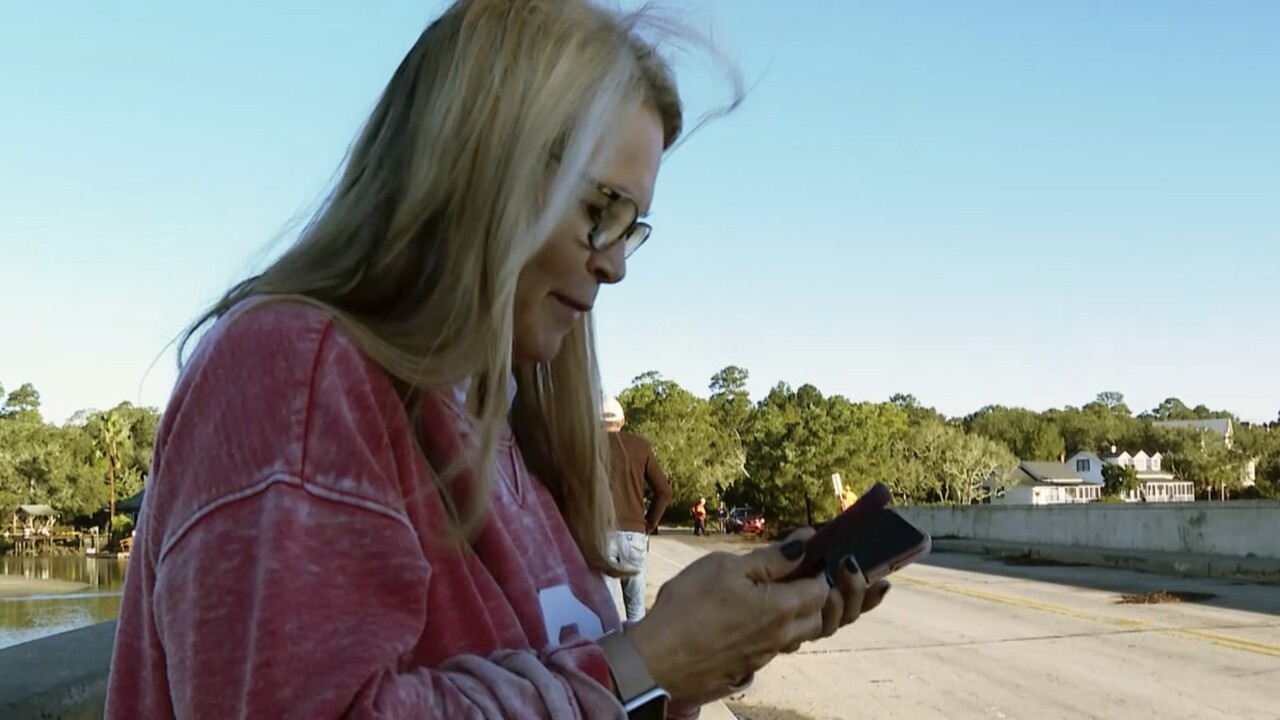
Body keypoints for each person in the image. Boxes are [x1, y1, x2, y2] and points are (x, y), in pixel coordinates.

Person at [104, 1, 891, 718]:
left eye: (632, 229)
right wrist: (644, 659)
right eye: (599, 213)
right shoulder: (295, 374)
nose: (616, 265)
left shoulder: (510, 438)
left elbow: (579, 694)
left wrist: (694, 665)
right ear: (479, 165)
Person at [602, 395, 672, 622]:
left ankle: (610, 658)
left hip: (601, 534)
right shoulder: (640, 446)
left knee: (608, 614)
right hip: (634, 535)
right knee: (636, 611)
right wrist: (648, 524)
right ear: (622, 421)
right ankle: (637, 656)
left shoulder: (589, 446)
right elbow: (664, 491)